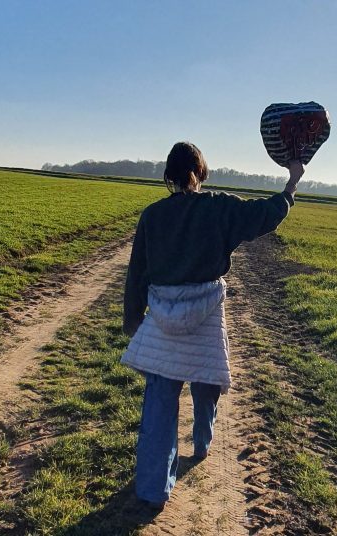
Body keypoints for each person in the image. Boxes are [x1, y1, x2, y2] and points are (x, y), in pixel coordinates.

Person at [120, 141, 303, 509]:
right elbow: (264, 215)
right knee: (207, 386)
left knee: (159, 402)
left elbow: (137, 271)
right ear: (200, 173)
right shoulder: (219, 207)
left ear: (169, 175)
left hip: (162, 320)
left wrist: (133, 318)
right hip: (206, 319)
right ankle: (202, 444)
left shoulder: (152, 216)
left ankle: (152, 491)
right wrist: (291, 186)